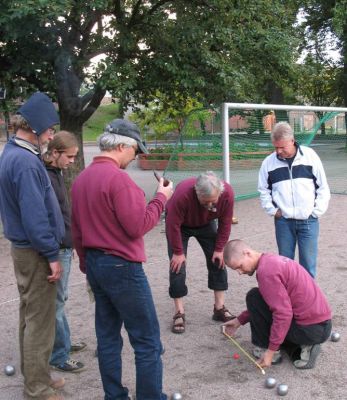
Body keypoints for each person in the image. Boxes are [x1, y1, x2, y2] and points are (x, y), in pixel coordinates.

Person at [71, 119, 173, 400]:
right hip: (122, 267)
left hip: (95, 264)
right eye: (135, 151)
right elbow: (137, 226)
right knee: (147, 341)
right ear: (120, 146)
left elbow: (76, 230)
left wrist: (86, 265)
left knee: (107, 338)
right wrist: (161, 198)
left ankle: (114, 396)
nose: (136, 157)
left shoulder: (81, 179)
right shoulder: (118, 180)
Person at [0, 92, 65, 400]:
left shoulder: (15, 152)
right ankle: (36, 388)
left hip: (27, 249)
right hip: (35, 252)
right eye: (50, 129)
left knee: (32, 316)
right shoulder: (25, 161)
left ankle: (37, 375)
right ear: (35, 126)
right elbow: (35, 215)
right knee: (39, 320)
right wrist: (52, 255)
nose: (52, 135)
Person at [223, 239, 332, 370]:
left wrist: (271, 351)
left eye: (239, 266)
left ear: (247, 253)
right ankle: (300, 343)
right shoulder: (270, 260)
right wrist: (239, 321)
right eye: (236, 270)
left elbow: (283, 313)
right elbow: (268, 301)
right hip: (320, 325)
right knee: (256, 296)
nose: (240, 272)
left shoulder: (266, 272)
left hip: (311, 330)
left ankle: (299, 346)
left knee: (254, 297)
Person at [165, 171, 235, 334]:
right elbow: (172, 225)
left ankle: (219, 309)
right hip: (180, 226)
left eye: (213, 201)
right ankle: (179, 312)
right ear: (197, 193)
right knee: (177, 266)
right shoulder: (182, 196)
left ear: (220, 192)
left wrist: (219, 249)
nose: (211, 205)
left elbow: (225, 223)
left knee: (218, 261)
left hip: (206, 223)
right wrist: (177, 251)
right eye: (206, 202)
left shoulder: (227, 194)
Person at [258, 121, 330, 278]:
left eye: (282, 147)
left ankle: (308, 302)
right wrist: (273, 211)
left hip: (308, 220)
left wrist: (315, 212)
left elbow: (323, 187)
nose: (278, 151)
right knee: (285, 265)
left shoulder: (310, 156)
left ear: (292, 140)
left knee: (308, 267)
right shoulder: (268, 163)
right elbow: (263, 190)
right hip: (283, 222)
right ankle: (287, 300)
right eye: (276, 147)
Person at [43, 131, 87, 373]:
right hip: (57, 249)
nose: (72, 161)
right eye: (69, 156)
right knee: (56, 302)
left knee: (62, 299)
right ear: (55, 152)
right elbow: (47, 218)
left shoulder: (56, 173)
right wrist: (56, 250)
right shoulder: (45, 176)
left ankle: (64, 343)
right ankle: (59, 355)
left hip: (65, 246)